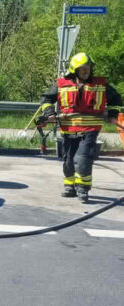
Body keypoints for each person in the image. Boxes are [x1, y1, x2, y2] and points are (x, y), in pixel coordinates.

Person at [39, 52, 122, 203]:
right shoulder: (62, 83)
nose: (86, 71)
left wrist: (113, 114)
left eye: (88, 68)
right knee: (68, 159)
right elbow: (46, 99)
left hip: (90, 129)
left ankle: (83, 189)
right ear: (74, 70)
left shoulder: (100, 84)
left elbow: (116, 99)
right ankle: (70, 186)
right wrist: (49, 112)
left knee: (82, 158)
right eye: (82, 68)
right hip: (68, 128)